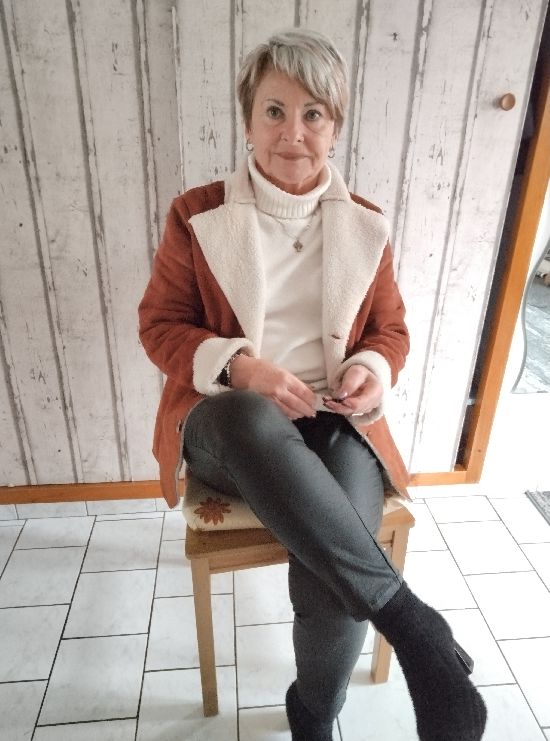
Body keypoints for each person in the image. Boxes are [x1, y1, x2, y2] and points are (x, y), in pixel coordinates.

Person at [138, 28, 487, 741]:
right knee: (248, 416)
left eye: (313, 114)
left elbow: (390, 331)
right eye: (274, 110)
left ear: (335, 126)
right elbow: (160, 326)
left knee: (334, 569)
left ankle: (314, 714)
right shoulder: (197, 214)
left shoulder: (365, 225)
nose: (292, 133)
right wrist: (241, 366)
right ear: (248, 121)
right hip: (227, 426)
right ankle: (417, 628)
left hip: (333, 421)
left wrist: (370, 369)